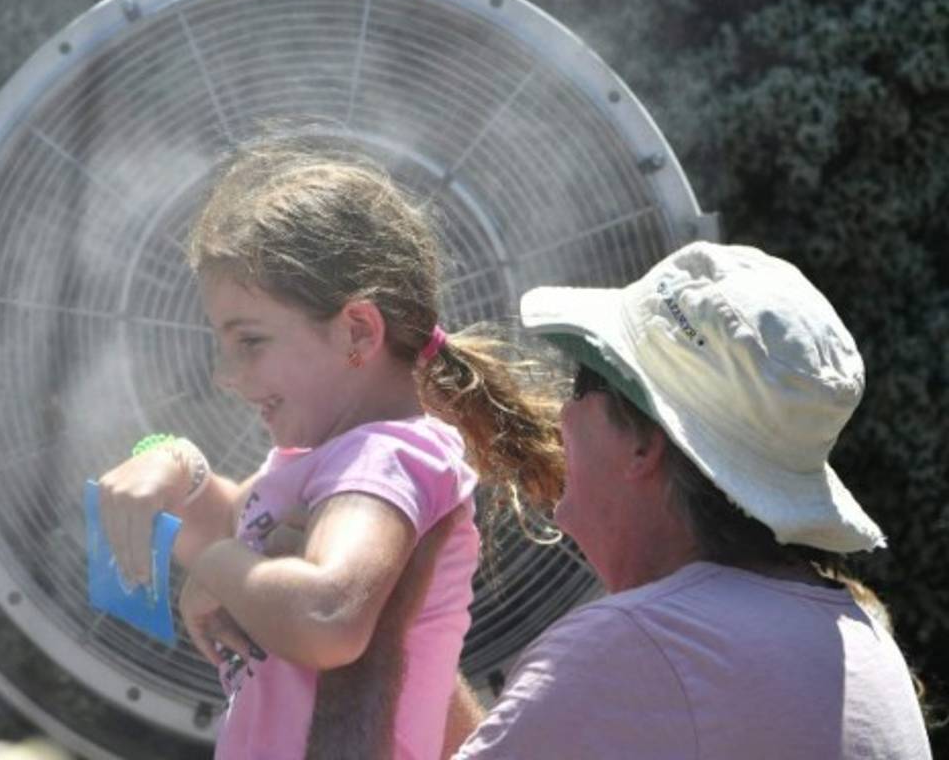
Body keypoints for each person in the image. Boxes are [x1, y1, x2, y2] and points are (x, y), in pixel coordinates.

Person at [97, 142, 564, 759]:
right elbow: (251, 526)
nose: (227, 376)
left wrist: (215, 565)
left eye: (251, 342)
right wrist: (174, 465)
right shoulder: (334, 457)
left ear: (357, 332)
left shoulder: (384, 458)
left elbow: (327, 616)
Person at [449, 241, 932, 758]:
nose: (562, 414)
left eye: (581, 381)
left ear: (643, 444)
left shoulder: (631, 647)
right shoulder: (858, 639)